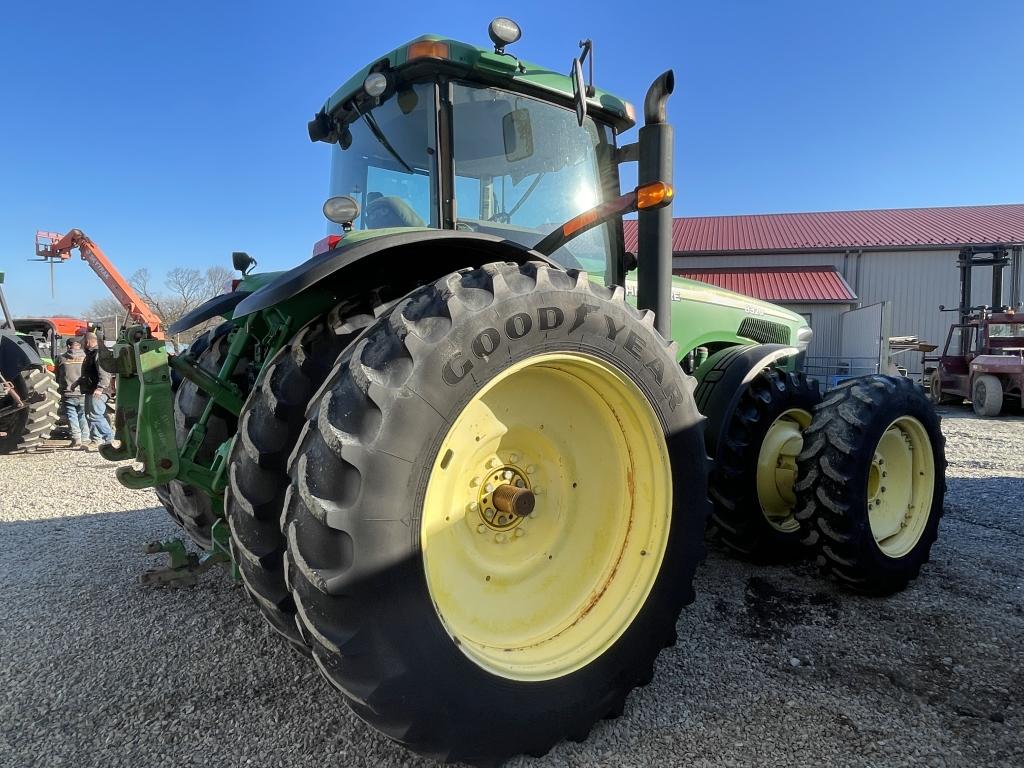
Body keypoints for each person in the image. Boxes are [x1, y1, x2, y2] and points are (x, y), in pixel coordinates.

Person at [54, 337, 89, 448]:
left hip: (68, 392)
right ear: (79, 345)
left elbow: (57, 375)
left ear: (68, 346)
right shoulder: (86, 357)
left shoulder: (61, 358)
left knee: (71, 416)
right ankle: (85, 438)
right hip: (83, 392)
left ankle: (76, 439)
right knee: (83, 415)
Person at [81, 331, 114, 447]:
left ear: (88, 341)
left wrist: (100, 388)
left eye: (83, 341)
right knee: (90, 415)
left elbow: (105, 373)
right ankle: (96, 440)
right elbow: (88, 373)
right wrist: (77, 382)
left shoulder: (98, 354)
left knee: (95, 415)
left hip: (99, 390)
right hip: (90, 389)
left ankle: (110, 439)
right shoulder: (90, 354)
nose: (82, 343)